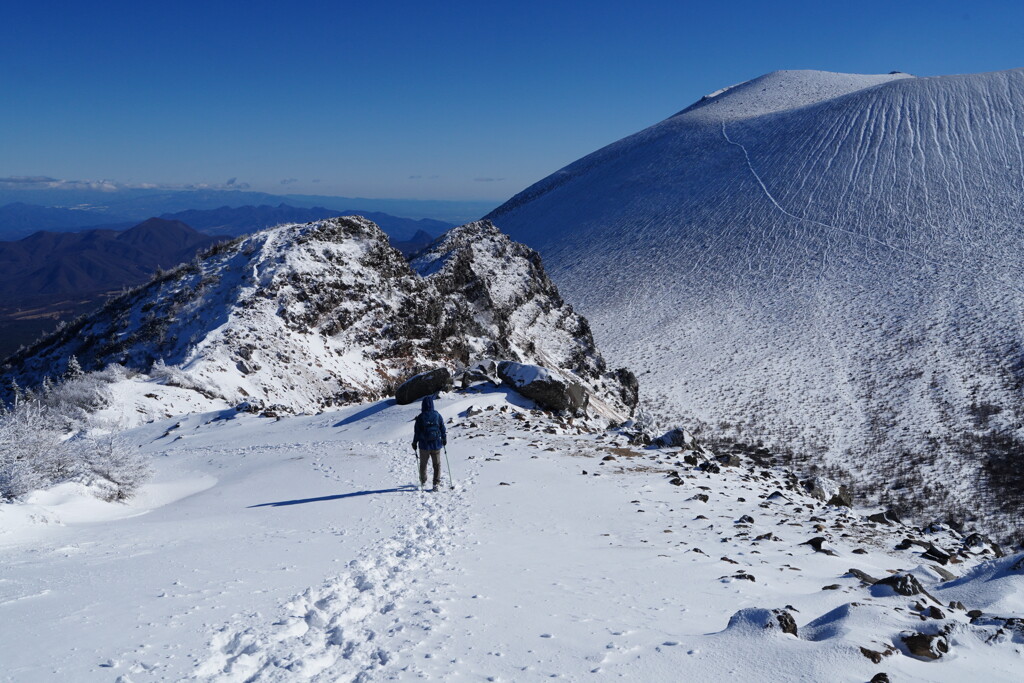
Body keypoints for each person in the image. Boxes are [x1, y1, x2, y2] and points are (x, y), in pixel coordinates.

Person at [412, 395, 446, 490]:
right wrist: (444, 438)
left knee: (423, 464)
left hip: (424, 445)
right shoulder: (437, 415)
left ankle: (423, 481)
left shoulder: (420, 417)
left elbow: (417, 432)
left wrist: (414, 443)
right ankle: (436, 484)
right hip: (436, 444)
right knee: (437, 465)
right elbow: (442, 428)